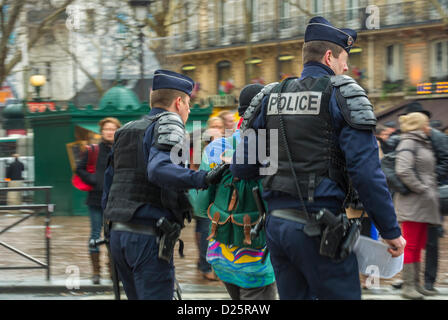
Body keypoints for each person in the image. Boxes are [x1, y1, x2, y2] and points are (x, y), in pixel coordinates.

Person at [230, 16, 405, 300]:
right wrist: (390, 230)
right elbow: (366, 172)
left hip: (277, 228)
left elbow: (242, 169)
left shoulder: (269, 97)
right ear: (328, 57)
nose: (346, 67)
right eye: (344, 58)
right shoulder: (343, 95)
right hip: (321, 230)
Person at [102, 69, 227, 300]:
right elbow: (158, 169)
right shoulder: (170, 122)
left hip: (119, 237)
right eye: (188, 103)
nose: (189, 110)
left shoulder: (126, 130)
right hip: (147, 238)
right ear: (178, 102)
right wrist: (202, 178)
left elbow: (108, 188)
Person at [196, 83, 277, 300]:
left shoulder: (215, 148)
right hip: (256, 262)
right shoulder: (272, 148)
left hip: (219, 253)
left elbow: (200, 205)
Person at [394, 112, 443, 299]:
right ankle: (408, 286)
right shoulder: (409, 142)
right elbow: (403, 170)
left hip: (423, 203)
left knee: (419, 244)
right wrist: (421, 188)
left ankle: (415, 284)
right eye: (427, 123)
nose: (429, 126)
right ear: (419, 125)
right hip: (414, 203)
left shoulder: (422, 142)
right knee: (411, 245)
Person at [76, 117, 121, 284]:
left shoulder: (122, 150)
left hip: (115, 200)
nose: (110, 132)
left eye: (113, 129)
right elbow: (79, 168)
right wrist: (93, 179)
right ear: (101, 131)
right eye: (107, 129)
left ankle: (113, 272)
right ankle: (96, 272)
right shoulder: (92, 150)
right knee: (95, 234)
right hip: (95, 199)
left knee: (114, 236)